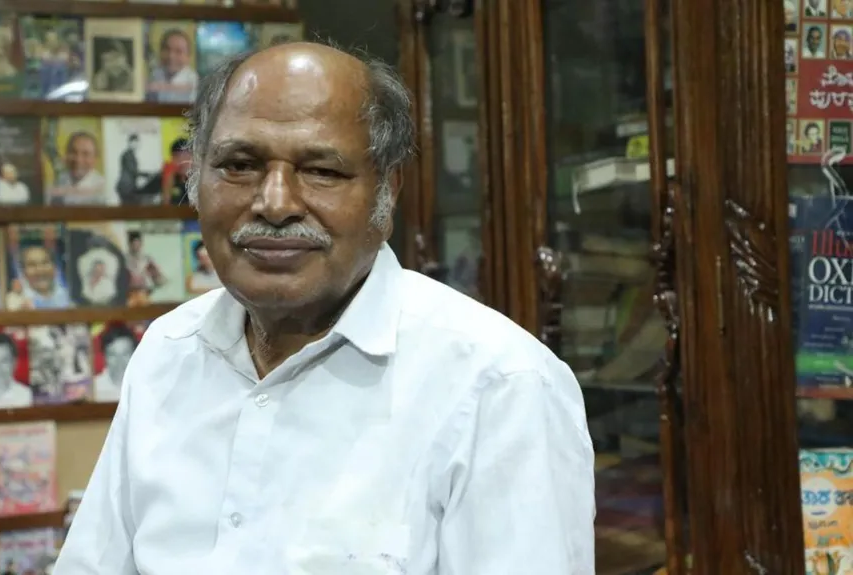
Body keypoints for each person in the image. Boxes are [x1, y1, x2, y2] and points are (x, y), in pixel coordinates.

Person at [54, 41, 593, 574]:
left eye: (322, 171)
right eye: (239, 165)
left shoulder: (500, 386)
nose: (276, 203)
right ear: (196, 182)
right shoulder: (168, 355)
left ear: (388, 191)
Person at [48, 132, 113, 205]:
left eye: (86, 154)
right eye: (73, 152)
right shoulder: (60, 181)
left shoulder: (104, 191)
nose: (78, 160)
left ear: (95, 159)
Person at [9, 244, 71, 310]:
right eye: (32, 265)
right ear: (23, 272)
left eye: (45, 262)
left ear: (55, 268)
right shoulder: (13, 302)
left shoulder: (69, 297)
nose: (40, 270)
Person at [146, 29, 198, 104]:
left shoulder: (193, 79)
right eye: (167, 49)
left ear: (188, 57)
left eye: (178, 51)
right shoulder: (153, 75)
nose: (171, 56)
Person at [91, 324, 137, 403]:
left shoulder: (147, 386)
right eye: (113, 354)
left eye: (125, 353)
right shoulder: (94, 389)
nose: (119, 361)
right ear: (104, 356)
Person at [163, 138, 191, 204]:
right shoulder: (172, 179)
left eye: (183, 156)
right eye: (175, 157)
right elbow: (165, 204)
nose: (179, 162)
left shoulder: (199, 179)